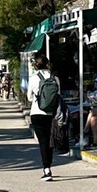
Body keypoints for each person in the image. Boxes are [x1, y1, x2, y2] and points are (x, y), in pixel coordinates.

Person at [27, 53, 59, 181]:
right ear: (47, 64)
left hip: (36, 112)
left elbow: (29, 97)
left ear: (36, 66)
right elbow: (58, 95)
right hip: (51, 113)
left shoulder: (33, 78)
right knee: (49, 140)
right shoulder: (55, 78)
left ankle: (46, 169)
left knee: (43, 141)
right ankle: (49, 165)